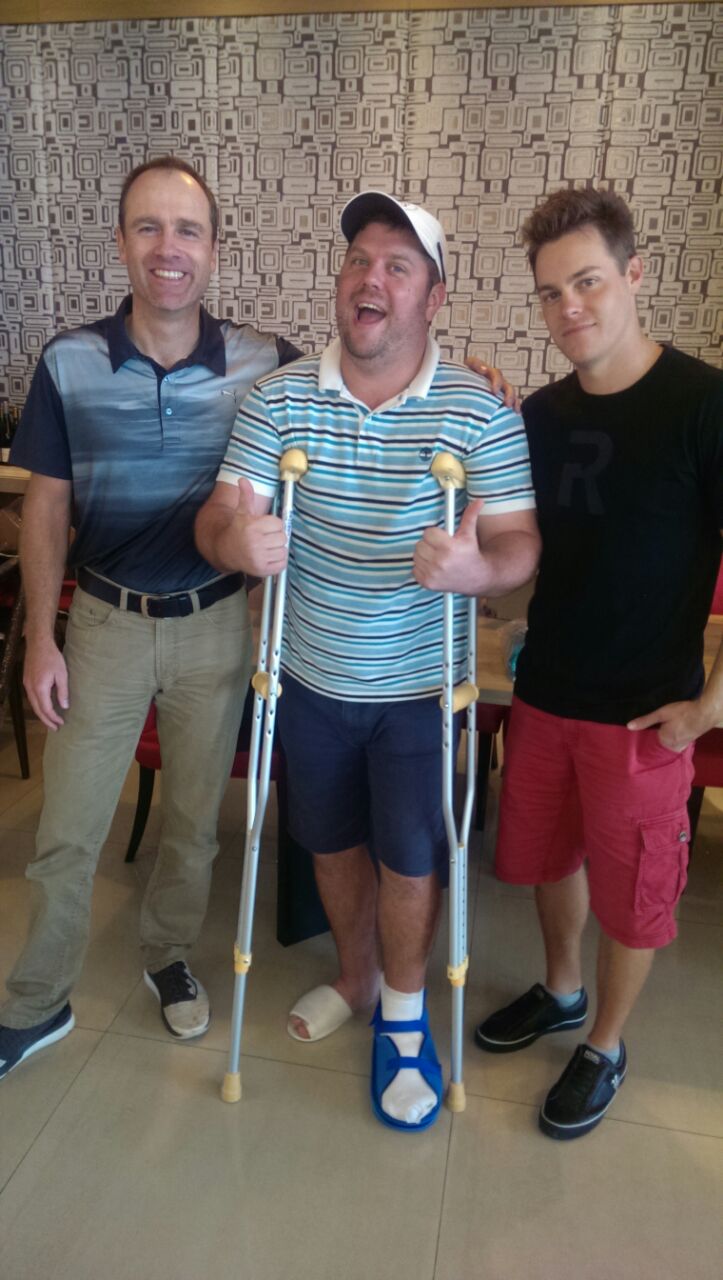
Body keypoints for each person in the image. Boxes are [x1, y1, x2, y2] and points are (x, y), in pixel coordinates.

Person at [195, 190, 541, 1131]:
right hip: (308, 677)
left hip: (418, 690)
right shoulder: (278, 401)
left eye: (397, 265)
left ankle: (402, 1013)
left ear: (433, 296)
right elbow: (221, 515)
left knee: (410, 856)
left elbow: (519, 544)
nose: (370, 279)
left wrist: (477, 570)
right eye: (357, 261)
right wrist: (234, 543)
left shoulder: (478, 412)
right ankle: (355, 977)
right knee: (331, 845)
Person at [0, 157, 305, 1082]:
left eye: (187, 230)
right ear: (122, 242)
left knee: (193, 822)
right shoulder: (68, 362)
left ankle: (168, 954)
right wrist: (40, 638)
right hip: (103, 625)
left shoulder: (265, 362)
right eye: (148, 227)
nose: (168, 248)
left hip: (216, 628)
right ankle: (35, 1002)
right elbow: (46, 507)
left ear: (213, 249)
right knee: (68, 830)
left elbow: (359, 389)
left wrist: (469, 385)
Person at [474, 187, 723, 1140]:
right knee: (548, 860)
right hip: (544, 694)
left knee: (634, 898)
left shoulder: (702, 405)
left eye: (585, 282)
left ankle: (604, 1045)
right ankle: (560, 990)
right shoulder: (538, 415)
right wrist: (481, 413)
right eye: (549, 292)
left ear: (633, 274)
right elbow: (507, 533)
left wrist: (708, 709)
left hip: (643, 714)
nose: (567, 307)